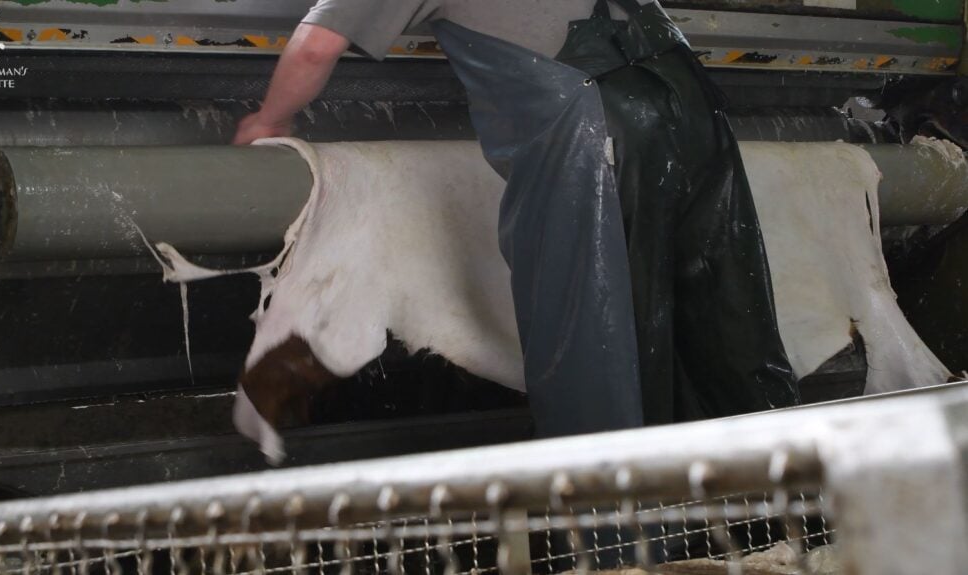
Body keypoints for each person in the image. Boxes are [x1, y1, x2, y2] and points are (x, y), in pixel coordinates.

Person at [234, 0, 800, 438]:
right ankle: (778, 521)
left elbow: (315, 47)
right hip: (693, 109)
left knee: (594, 340)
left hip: (598, 130)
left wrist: (267, 119)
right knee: (726, 324)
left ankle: (613, 547)